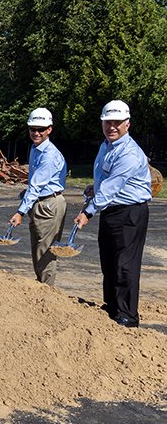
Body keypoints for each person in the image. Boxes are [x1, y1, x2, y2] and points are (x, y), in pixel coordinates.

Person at [74, 100, 151, 328]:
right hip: (111, 211)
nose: (112, 127)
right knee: (108, 261)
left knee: (125, 264)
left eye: (117, 123)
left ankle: (128, 315)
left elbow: (112, 186)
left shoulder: (129, 153)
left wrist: (88, 211)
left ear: (127, 124)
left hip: (130, 214)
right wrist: (94, 188)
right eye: (108, 122)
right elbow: (105, 182)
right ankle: (112, 307)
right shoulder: (106, 146)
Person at [9, 108, 67, 286]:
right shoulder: (36, 149)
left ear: (49, 129)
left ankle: (46, 292)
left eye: (40, 129)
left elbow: (35, 186)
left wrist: (20, 212)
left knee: (45, 251)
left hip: (48, 204)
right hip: (41, 201)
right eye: (32, 129)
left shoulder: (48, 155)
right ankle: (42, 286)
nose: (36, 133)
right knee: (38, 249)